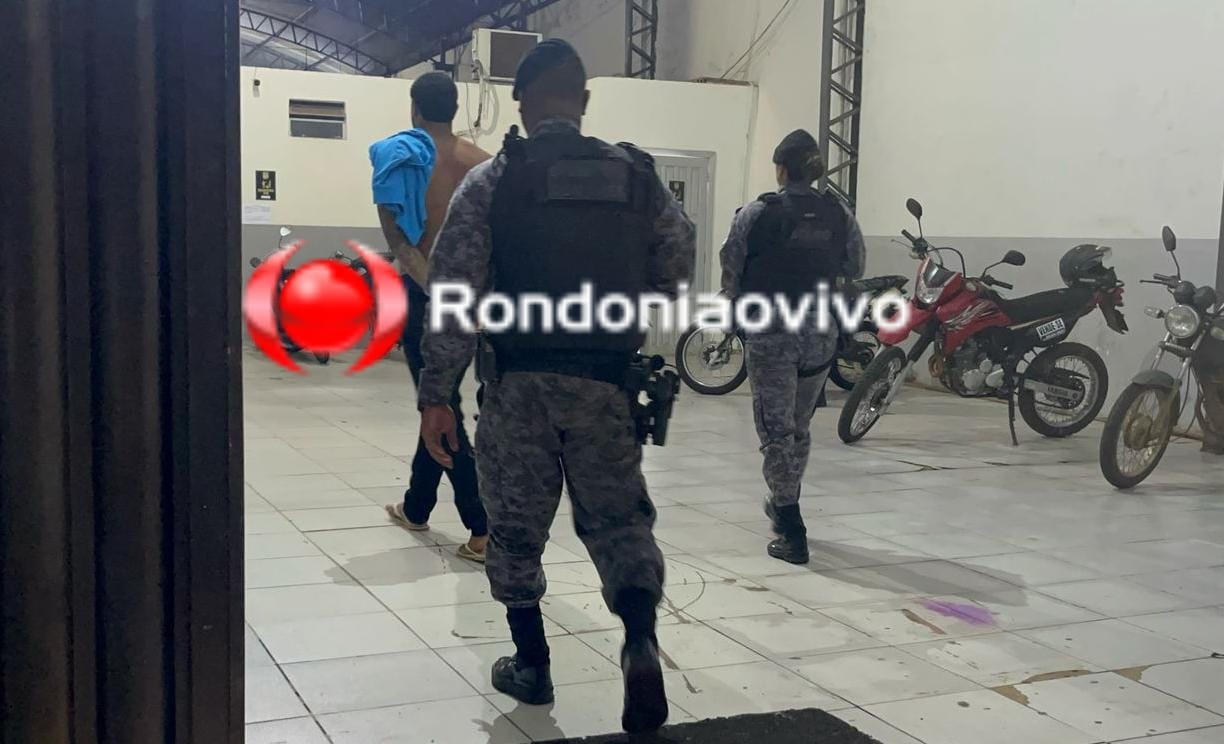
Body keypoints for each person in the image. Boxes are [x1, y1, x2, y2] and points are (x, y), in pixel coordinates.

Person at [417, 40, 695, 734]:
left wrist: (437, 395)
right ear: (584, 101)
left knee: (515, 527)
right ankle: (639, 641)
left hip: (519, 386)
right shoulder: (637, 177)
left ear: (520, 103)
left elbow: (453, 295)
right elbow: (674, 270)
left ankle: (533, 663)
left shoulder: (493, 181)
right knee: (620, 522)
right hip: (606, 383)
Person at [720, 129, 865, 565]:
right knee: (799, 427)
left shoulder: (757, 213)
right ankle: (786, 497)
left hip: (772, 336)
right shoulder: (837, 212)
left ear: (781, 169)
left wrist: (732, 313)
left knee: (775, 432)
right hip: (819, 335)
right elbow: (855, 263)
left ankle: (790, 527)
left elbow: (732, 267)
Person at [374, 72, 492, 562]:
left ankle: (483, 528)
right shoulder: (483, 163)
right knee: (438, 405)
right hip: (473, 299)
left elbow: (402, 245)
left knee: (442, 410)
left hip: (426, 297)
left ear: (415, 108)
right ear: (455, 108)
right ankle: (416, 506)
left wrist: (436, 293)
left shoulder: (399, 159)